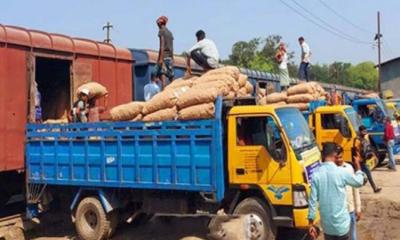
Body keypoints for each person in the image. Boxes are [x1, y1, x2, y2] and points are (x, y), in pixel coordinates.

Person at [308, 142, 365, 240]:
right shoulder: (342, 172)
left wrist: (311, 224)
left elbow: (312, 202)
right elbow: (359, 182)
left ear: (323, 155)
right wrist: (358, 166)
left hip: (327, 227)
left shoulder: (315, 175)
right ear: (335, 155)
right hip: (342, 226)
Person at [335, 146, 362, 240]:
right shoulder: (331, 171)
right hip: (338, 213)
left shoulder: (349, 168)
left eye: (341, 157)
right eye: (337, 157)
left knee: (352, 235)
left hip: (350, 210)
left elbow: (356, 190)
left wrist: (358, 208)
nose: (339, 160)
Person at [353, 125, 382, 193]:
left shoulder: (365, 139)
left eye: (366, 131)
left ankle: (374, 188)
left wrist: (373, 154)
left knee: (366, 175)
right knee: (364, 175)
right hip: (359, 161)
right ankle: (373, 188)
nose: (365, 132)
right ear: (360, 131)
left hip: (363, 160)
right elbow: (356, 150)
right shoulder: (357, 139)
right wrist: (358, 158)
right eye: (364, 131)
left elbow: (368, 148)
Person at [154, 15, 174, 88]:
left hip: (164, 57)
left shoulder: (161, 31)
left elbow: (161, 46)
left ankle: (164, 94)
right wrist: (172, 59)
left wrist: (160, 59)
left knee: (163, 76)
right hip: (169, 58)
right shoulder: (170, 33)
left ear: (160, 23)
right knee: (171, 78)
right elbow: (172, 48)